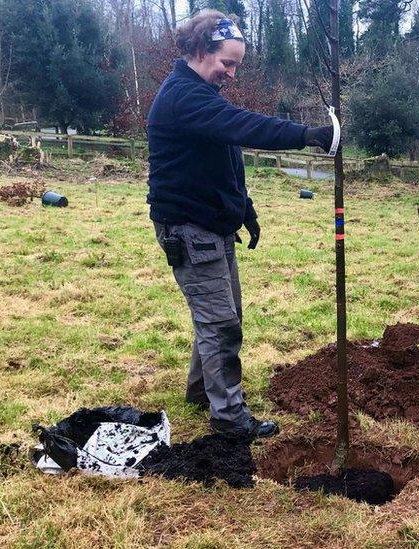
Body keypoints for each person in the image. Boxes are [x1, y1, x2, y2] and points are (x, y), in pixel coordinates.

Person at [147, 10, 334, 439]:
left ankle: (201, 392)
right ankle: (229, 419)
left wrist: (244, 209)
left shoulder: (201, 96)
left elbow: (225, 157)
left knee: (221, 317)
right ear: (199, 51)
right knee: (220, 324)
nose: (231, 73)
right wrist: (306, 134)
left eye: (237, 65)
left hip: (213, 225)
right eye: (226, 63)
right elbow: (245, 127)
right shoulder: (184, 97)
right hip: (190, 230)